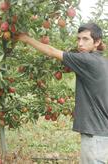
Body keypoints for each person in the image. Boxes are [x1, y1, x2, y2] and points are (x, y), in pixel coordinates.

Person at [15, 23, 108, 164]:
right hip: (101, 131)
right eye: (78, 39)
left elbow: (51, 51)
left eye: (85, 39)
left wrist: (26, 38)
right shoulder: (101, 61)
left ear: (97, 42)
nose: (80, 44)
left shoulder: (86, 60)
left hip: (94, 134)